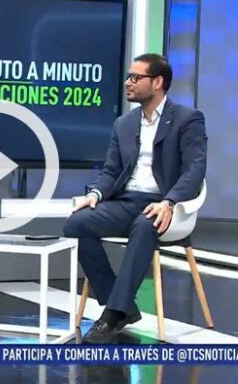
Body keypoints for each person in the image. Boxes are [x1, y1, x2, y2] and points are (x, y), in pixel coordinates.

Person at [63, 53, 207, 344]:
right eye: (129, 76)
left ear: (157, 82)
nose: (128, 82)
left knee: (145, 225)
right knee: (76, 224)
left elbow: (195, 170)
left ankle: (113, 314)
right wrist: (95, 194)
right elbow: (111, 171)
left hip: (165, 205)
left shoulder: (187, 119)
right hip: (126, 200)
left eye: (135, 77)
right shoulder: (124, 124)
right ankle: (125, 305)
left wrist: (169, 202)